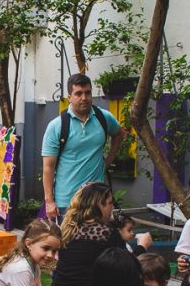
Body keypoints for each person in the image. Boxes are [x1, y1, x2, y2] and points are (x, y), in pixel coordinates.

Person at [46, 182, 151, 286]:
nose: (112, 208)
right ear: (98, 205)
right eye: (110, 203)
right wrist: (142, 246)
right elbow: (127, 266)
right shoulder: (106, 232)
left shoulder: (67, 228)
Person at [41, 73, 127, 222]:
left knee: (97, 243)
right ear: (70, 97)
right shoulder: (57, 126)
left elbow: (119, 133)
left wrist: (110, 158)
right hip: (67, 201)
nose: (84, 98)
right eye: (78, 93)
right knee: (69, 244)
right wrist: (49, 201)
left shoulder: (103, 117)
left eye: (87, 93)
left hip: (97, 200)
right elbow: (48, 167)